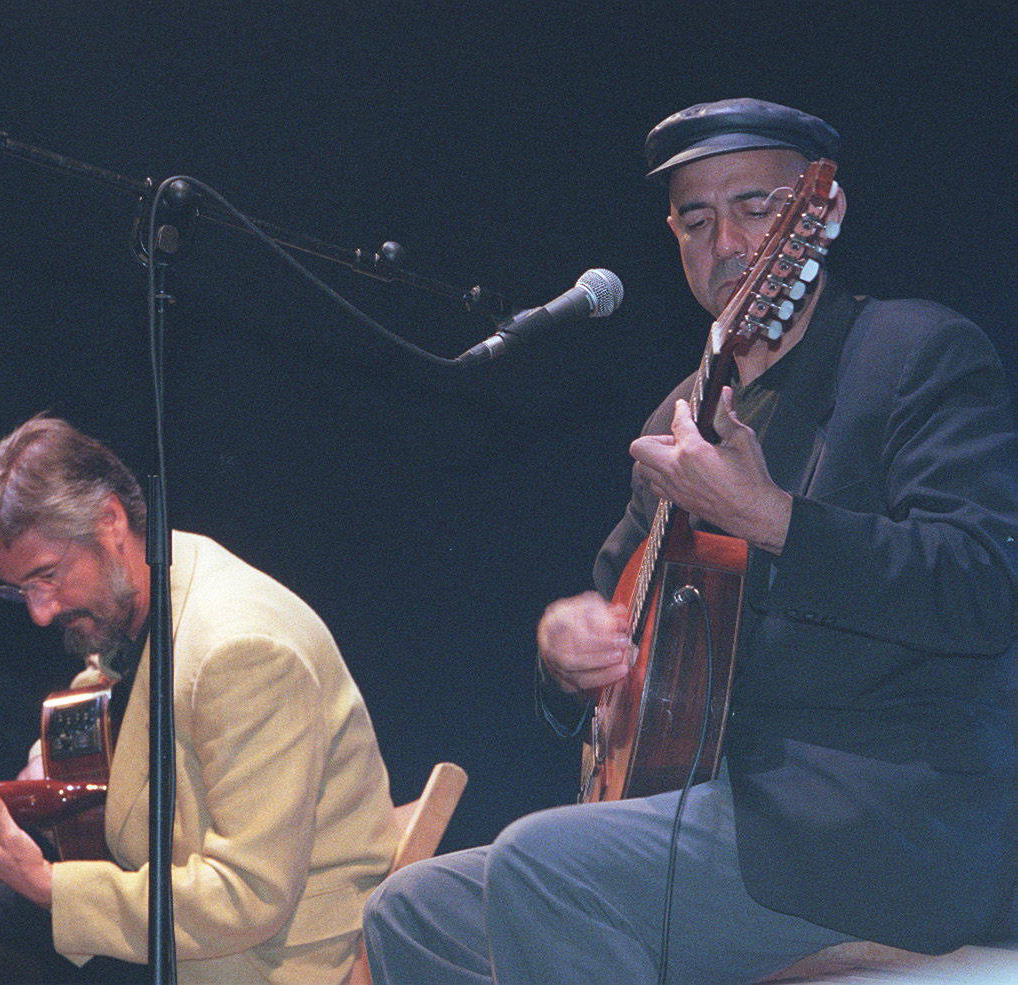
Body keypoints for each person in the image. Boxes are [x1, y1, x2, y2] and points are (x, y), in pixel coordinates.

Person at [362, 98, 1018, 984]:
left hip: (877, 823)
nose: (727, 244)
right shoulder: (680, 419)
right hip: (711, 816)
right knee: (410, 911)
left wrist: (773, 519)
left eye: (756, 208)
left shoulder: (914, 354)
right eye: (697, 220)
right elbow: (614, 610)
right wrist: (565, 651)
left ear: (818, 216)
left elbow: (987, 585)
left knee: (539, 866)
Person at [0, 416, 397, 984]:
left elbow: (248, 898)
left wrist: (48, 885)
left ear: (110, 521)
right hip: (169, 900)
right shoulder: (159, 580)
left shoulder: (243, 649)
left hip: (253, 960)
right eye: (21, 591)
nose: (40, 613)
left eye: (47, 577)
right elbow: (128, 694)